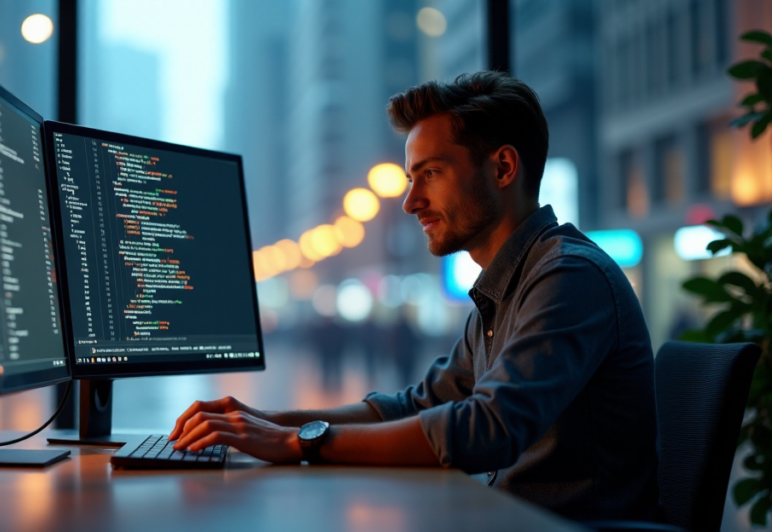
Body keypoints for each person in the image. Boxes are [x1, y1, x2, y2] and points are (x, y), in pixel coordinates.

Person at [167, 72, 659, 522]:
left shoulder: (569, 276)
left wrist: (299, 443)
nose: (410, 202)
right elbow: (418, 405)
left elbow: (487, 428)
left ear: (503, 167)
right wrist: (266, 422)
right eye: (410, 178)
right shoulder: (504, 287)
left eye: (432, 173)